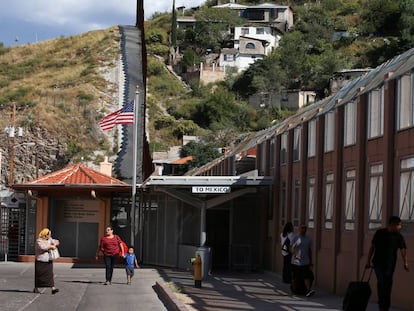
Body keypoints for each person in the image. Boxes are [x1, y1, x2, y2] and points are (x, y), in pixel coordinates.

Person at [365, 216, 409, 311]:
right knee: (382, 282)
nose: (400, 227)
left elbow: (403, 249)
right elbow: (372, 247)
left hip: (390, 265)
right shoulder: (380, 233)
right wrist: (368, 261)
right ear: (393, 224)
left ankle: (385, 306)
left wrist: (405, 263)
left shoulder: (398, 236)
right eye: (399, 225)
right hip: (378, 263)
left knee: (387, 284)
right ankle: (382, 305)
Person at [291, 224, 315, 297]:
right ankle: (294, 290)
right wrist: (294, 253)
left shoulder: (308, 239)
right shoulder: (296, 238)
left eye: (305, 228)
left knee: (306, 276)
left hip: (305, 261)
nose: (303, 230)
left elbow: (309, 250)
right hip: (296, 262)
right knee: (295, 277)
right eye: (302, 228)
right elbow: (292, 248)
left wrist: (311, 262)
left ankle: (308, 290)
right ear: (299, 229)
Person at [33, 228, 60, 294]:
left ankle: (53, 288)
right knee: (39, 275)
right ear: (45, 235)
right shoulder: (39, 241)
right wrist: (51, 246)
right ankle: (36, 288)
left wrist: (54, 244)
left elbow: (57, 241)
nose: (50, 236)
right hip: (40, 261)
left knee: (50, 274)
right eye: (49, 235)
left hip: (48, 260)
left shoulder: (49, 239)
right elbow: (43, 247)